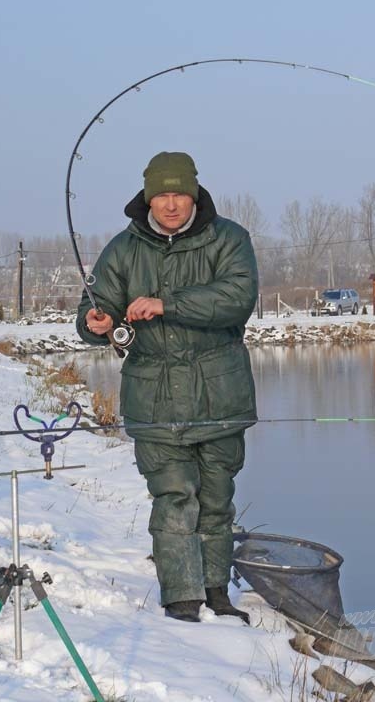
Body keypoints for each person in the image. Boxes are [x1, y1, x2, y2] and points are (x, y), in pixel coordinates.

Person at [76, 151, 258, 623]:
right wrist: (95, 321)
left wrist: (166, 303)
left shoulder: (231, 239)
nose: (171, 204)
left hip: (221, 392)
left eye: (179, 193)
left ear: (194, 193)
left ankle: (217, 592)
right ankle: (182, 600)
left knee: (217, 499)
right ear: (148, 198)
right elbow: (92, 308)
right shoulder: (122, 248)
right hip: (152, 395)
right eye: (162, 195)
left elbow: (236, 300)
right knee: (174, 496)